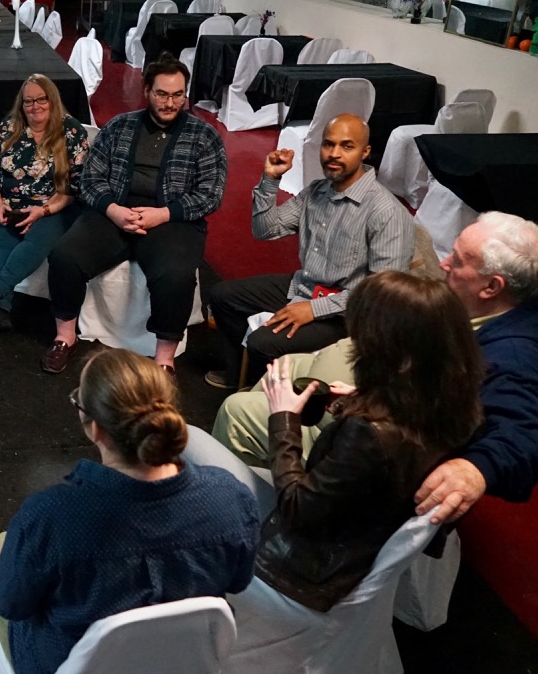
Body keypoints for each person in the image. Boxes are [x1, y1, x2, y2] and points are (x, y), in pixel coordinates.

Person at [213, 213, 538, 526]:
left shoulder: (514, 354)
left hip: (362, 439)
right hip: (374, 402)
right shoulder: (488, 313)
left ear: (492, 287)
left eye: (458, 260)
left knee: (238, 411)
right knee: (285, 366)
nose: (443, 263)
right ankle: (256, 481)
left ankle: (225, 517)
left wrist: (475, 469)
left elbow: (522, 433)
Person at [0, 349, 259, 674]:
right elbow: (240, 581)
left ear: (95, 429)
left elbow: (10, 603)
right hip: (181, 660)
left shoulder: (49, 517)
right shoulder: (231, 497)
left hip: (65, 661)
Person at [245, 271, 481, 612]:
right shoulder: (459, 409)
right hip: (360, 548)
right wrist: (362, 399)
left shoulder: (366, 434)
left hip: (304, 573)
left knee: (203, 460)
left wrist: (283, 418)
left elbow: (297, 508)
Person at [41, 54, 226, 375]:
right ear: (146, 91)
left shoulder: (204, 137)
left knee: (176, 275)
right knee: (64, 257)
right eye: (162, 94)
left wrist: (163, 214)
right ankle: (64, 337)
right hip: (114, 211)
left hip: (172, 220)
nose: (170, 102)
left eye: (178, 95)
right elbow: (90, 178)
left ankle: (164, 359)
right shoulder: (119, 126)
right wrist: (113, 210)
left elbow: (211, 194)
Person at [206, 114, 414, 389]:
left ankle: (261, 397)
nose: (334, 154)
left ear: (365, 152)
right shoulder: (317, 191)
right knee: (223, 296)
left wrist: (314, 310)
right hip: (305, 286)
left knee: (263, 344)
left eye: (346, 146)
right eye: (328, 145)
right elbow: (265, 230)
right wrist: (270, 180)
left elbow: (381, 297)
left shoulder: (386, 213)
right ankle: (238, 374)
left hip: (349, 314)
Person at [0, 75, 89, 330]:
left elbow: (76, 185)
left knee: (36, 242)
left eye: (41, 99)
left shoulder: (72, 131)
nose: (35, 106)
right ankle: (0, 308)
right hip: (7, 204)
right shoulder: (9, 127)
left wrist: (44, 210)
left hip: (53, 208)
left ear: (52, 99)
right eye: (28, 102)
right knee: (3, 243)